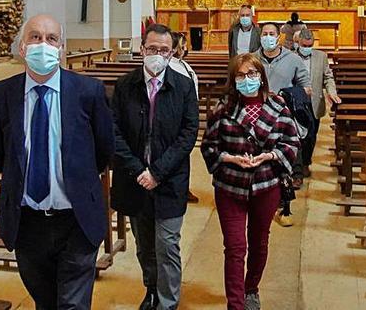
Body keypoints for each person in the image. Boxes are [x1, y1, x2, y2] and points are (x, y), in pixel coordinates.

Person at [0, 14, 115, 310]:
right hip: (27, 220)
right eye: (35, 37)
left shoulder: (88, 92)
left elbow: (105, 148)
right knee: (45, 302)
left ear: (62, 48)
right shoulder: (1, 94)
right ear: (21, 47)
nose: (44, 44)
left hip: (76, 217)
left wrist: (78, 179)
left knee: (72, 305)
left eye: (51, 39)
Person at [111, 24, 200, 310]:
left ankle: (167, 302)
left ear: (172, 52)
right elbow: (114, 132)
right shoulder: (125, 86)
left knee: (167, 244)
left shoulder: (184, 85)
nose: (157, 55)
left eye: (163, 50)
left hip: (169, 180)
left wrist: (157, 172)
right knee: (144, 245)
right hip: (134, 180)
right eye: (152, 49)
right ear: (142, 49)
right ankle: (151, 290)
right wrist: (139, 170)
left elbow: (189, 133)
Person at [201, 53, 300, 310]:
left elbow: (291, 142)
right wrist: (230, 158)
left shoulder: (278, 106)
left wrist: (269, 155)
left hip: (266, 185)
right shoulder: (222, 109)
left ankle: (251, 288)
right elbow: (209, 146)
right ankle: (235, 304)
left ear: (261, 77)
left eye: (253, 74)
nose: (248, 79)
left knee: (259, 242)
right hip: (230, 186)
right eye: (242, 75)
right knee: (234, 248)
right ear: (233, 80)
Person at [254, 22, 310, 226]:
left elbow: (306, 87)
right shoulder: (252, 59)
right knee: (261, 161)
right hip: (258, 116)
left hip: (283, 117)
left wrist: (287, 95)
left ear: (279, 36)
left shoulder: (293, 59)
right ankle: (261, 201)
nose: (268, 37)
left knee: (282, 162)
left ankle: (284, 207)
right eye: (264, 34)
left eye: (271, 34)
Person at [293, 29, 340, 180]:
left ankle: (306, 162)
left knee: (310, 137)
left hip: (315, 102)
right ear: (298, 43)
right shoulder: (290, 56)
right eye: (304, 45)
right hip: (296, 102)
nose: (306, 47)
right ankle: (297, 172)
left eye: (310, 45)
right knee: (296, 137)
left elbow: (328, 77)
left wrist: (331, 92)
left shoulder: (321, 57)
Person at [169, 31, 200, 204]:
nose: (185, 48)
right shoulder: (170, 66)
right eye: (183, 45)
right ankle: (179, 189)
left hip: (188, 112)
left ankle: (182, 188)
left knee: (183, 153)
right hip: (178, 115)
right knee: (178, 153)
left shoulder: (182, 64)